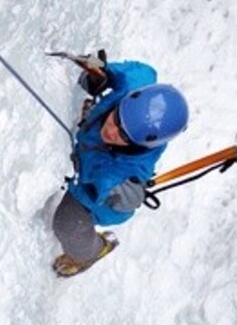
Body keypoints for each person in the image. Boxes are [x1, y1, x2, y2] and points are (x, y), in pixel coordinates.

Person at [51, 51, 189, 277]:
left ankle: (91, 252)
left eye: (123, 135)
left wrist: (75, 164)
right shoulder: (136, 89)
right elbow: (143, 71)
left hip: (98, 198)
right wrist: (106, 71)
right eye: (117, 117)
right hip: (93, 151)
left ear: (140, 144)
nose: (111, 130)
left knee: (66, 225)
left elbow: (88, 176)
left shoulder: (120, 173)